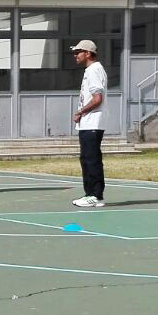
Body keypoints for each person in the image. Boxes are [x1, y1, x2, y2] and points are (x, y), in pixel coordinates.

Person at [70, 39, 108, 208]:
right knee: (86, 158)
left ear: (88, 53)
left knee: (91, 159)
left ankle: (95, 195)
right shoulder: (91, 70)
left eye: (78, 52)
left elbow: (97, 99)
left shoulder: (94, 70)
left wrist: (81, 111)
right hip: (88, 123)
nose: (75, 56)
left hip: (92, 123)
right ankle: (91, 193)